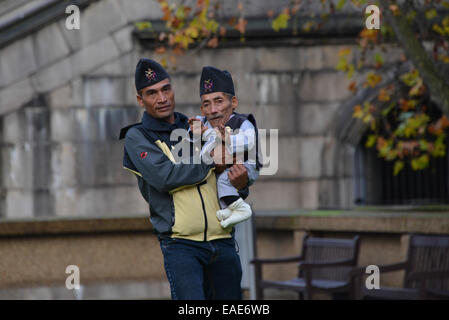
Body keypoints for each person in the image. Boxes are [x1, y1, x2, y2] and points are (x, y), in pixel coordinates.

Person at [119, 58, 250, 300]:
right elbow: (164, 177)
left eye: (166, 89)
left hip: (223, 241)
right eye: (152, 93)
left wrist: (241, 185)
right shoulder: (137, 137)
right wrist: (211, 160)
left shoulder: (197, 125)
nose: (162, 98)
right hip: (181, 246)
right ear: (140, 100)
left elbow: (224, 177)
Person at [188, 66, 261, 229]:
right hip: (196, 221)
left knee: (224, 181)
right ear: (202, 109)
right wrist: (196, 132)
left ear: (233, 102)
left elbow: (248, 141)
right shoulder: (202, 124)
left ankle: (237, 208)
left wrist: (226, 141)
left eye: (219, 101)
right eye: (207, 104)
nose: (213, 110)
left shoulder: (242, 123)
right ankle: (230, 208)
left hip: (242, 171)